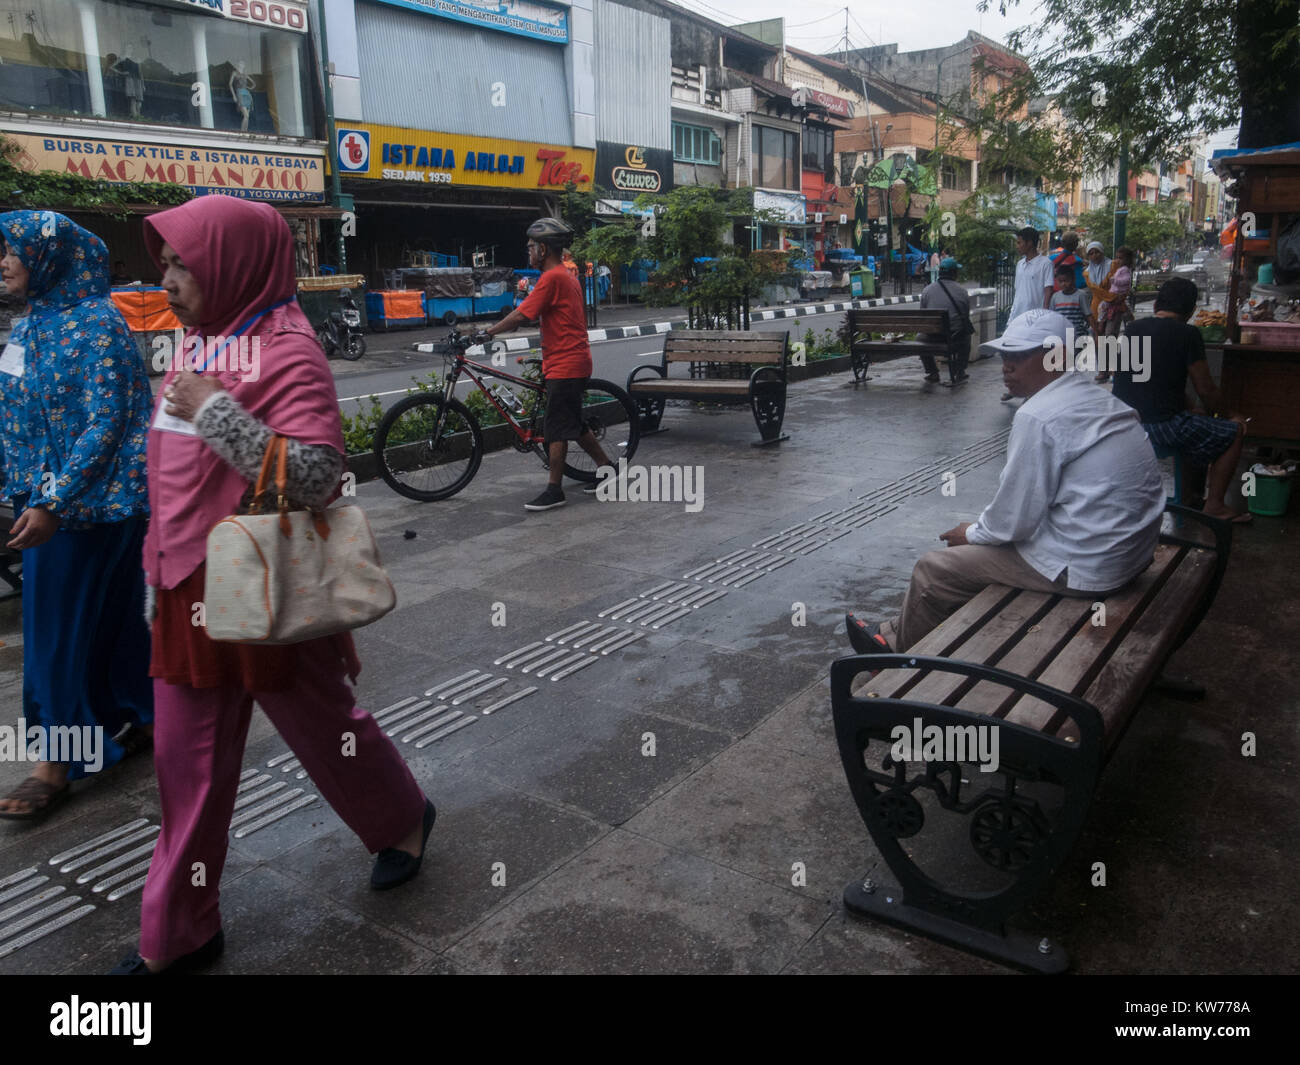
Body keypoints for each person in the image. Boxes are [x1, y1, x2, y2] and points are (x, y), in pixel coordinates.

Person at [111, 196, 431, 975]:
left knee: (328, 729)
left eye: (184, 261)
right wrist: (155, 565)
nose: (169, 276)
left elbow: (318, 475)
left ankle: (403, 818)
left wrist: (215, 409)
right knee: (186, 768)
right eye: (166, 262)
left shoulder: (288, 349)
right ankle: (178, 931)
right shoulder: (200, 338)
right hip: (188, 587)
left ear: (234, 263)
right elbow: (169, 468)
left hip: (266, 579)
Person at [846, 310, 1165, 654]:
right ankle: (892, 630)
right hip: (1127, 553)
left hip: (1090, 568)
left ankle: (895, 664)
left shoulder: (1038, 415)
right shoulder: (1098, 398)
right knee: (976, 550)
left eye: (1020, 355)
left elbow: (1013, 522)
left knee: (933, 569)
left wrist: (969, 534)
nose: (1006, 366)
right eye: (1004, 355)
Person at [0, 211, 154, 821]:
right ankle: (136, 719)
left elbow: (108, 421)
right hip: (45, 502)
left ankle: (52, 765)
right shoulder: (29, 324)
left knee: (53, 636)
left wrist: (53, 501)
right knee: (113, 626)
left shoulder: (98, 324)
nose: (3, 262)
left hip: (87, 510)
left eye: (11, 250)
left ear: (49, 257)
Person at [483, 217, 615, 512]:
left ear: (543, 249)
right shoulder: (566, 275)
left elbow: (521, 315)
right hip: (570, 360)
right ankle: (607, 469)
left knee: (555, 428)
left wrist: (487, 332)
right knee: (574, 424)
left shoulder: (553, 277)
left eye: (531, 246)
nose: (528, 251)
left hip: (566, 364)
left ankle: (554, 490)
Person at [1111, 278, 1251, 523]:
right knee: (1233, 433)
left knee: (1194, 418)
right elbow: (1206, 389)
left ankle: (1189, 497)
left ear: (1156, 305)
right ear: (1191, 311)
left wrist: (1192, 408)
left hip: (1124, 422)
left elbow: (1146, 382)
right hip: (1160, 426)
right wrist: (1231, 415)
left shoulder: (1133, 329)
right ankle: (1216, 506)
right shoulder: (1188, 334)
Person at [1003, 227, 1054, 400]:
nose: (1017, 246)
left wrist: (1045, 313)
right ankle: (1013, 388)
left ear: (1029, 243)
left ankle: (1030, 390)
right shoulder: (1020, 264)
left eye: (1019, 242)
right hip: (1017, 316)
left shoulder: (1045, 263)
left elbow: (1048, 289)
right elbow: (1019, 292)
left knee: (1031, 357)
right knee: (1012, 354)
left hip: (1035, 318)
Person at [918, 256, 973, 384]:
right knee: (967, 335)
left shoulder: (927, 291)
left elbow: (923, 315)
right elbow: (965, 315)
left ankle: (932, 372)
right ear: (954, 273)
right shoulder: (962, 291)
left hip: (932, 336)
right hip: (954, 336)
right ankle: (960, 371)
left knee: (919, 339)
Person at [1093, 246, 1134, 382]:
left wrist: (1113, 281)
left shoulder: (1123, 271)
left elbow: (1124, 283)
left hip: (1115, 306)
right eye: (1117, 257)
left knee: (1110, 337)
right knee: (1102, 337)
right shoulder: (1092, 272)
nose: (1118, 260)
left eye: (1121, 258)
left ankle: (1112, 370)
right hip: (1105, 303)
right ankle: (1104, 370)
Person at [1049, 262, 1092, 332]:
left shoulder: (1081, 295)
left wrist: (1096, 333)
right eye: (1060, 281)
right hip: (1061, 335)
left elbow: (1088, 315)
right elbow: (1052, 316)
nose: (1063, 284)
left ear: (1073, 279)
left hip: (1078, 334)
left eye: (1066, 281)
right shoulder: (1055, 297)